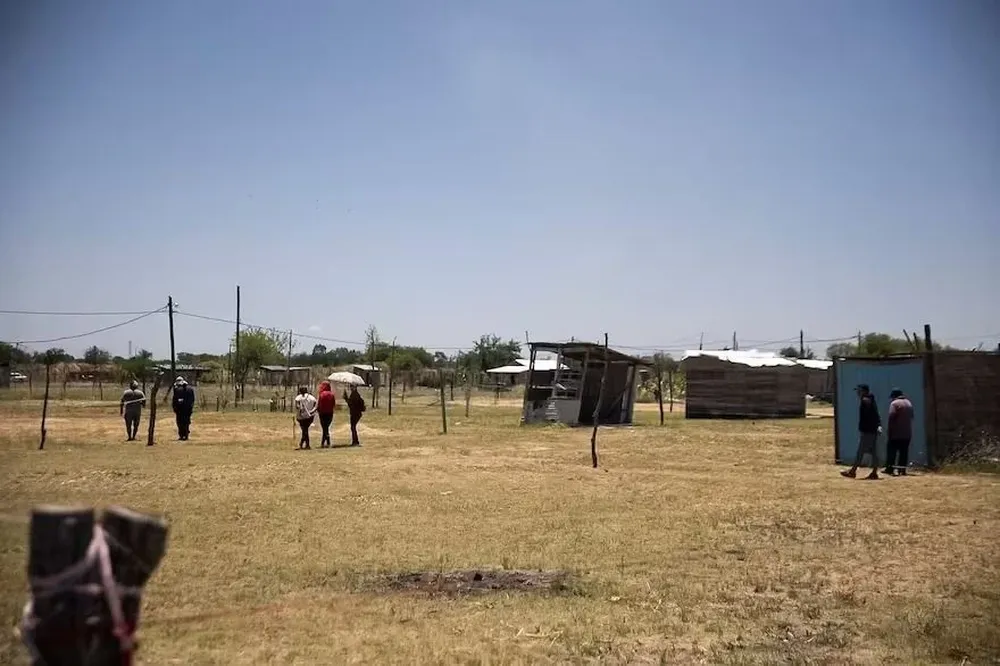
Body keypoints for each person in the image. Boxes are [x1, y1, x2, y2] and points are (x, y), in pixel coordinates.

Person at [842, 384, 882, 479]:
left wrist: (871, 426)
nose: (857, 392)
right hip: (872, 430)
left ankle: (853, 471)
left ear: (864, 391)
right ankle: (874, 472)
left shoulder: (865, 401)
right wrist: (878, 425)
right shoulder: (870, 400)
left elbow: (871, 416)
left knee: (860, 451)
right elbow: (876, 414)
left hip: (868, 431)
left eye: (859, 390)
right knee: (873, 452)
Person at [884, 388, 915, 476]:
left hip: (896, 433)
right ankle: (902, 470)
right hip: (907, 433)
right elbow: (912, 416)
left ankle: (890, 469)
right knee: (904, 452)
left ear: (894, 396)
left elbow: (891, 417)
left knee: (891, 451)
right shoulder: (909, 403)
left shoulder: (894, 403)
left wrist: (889, 430)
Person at [294, 385, 318, 450]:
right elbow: (315, 406)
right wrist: (311, 411)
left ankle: (305, 444)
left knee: (304, 430)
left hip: (301, 417)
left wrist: (300, 409)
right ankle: (304, 444)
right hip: (310, 417)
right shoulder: (312, 398)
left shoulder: (298, 397)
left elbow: (297, 406)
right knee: (305, 430)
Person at [171, 376, 195, 441]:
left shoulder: (177, 390)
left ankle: (181, 435)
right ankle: (186, 435)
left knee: (180, 422)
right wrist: (190, 407)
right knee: (186, 421)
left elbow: (175, 400)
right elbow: (192, 399)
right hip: (188, 409)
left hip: (180, 409)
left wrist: (175, 408)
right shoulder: (190, 389)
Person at [317, 381, 336, 448]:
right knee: (326, 428)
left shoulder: (321, 394)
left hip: (322, 413)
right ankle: (327, 442)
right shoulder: (332, 394)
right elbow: (333, 404)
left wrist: (318, 410)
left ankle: (325, 442)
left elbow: (319, 404)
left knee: (324, 428)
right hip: (330, 413)